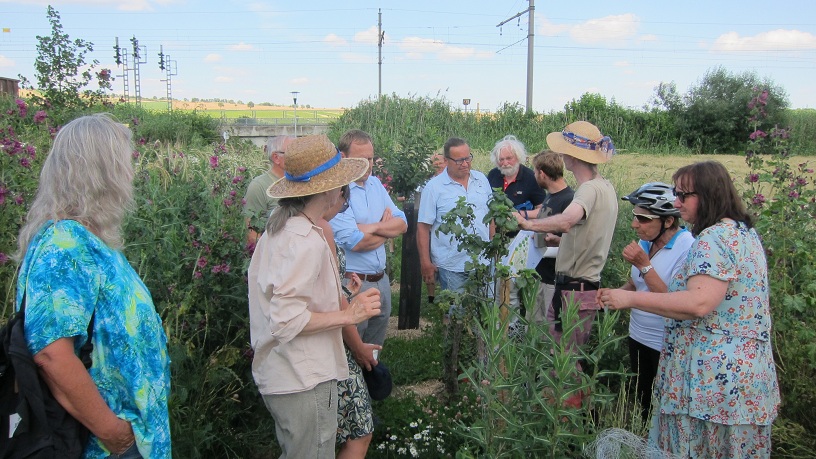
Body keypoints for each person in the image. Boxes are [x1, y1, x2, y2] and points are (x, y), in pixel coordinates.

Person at [598, 161, 780, 458]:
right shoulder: (742, 233)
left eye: (683, 195)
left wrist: (631, 300)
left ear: (708, 195)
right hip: (742, 380)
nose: (676, 202)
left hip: (709, 383)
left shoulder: (713, 239)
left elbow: (698, 303)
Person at [14, 114, 171, 458]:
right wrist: (113, 433)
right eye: (124, 162)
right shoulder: (64, 245)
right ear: (103, 171)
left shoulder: (88, 239)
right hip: (105, 443)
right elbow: (51, 354)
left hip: (134, 434)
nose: (131, 173)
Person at [248, 134, 382, 458]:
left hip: (286, 374)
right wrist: (349, 315)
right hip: (302, 379)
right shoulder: (303, 240)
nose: (343, 191)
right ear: (328, 189)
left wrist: (341, 295)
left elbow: (288, 300)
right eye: (341, 183)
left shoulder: (281, 228)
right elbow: (286, 320)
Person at [515, 121, 618, 347]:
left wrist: (527, 224)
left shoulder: (588, 189)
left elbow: (567, 221)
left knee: (565, 358)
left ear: (573, 156)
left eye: (564, 150)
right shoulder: (605, 186)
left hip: (574, 288)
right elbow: (589, 236)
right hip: (583, 285)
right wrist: (562, 242)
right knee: (566, 354)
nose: (561, 156)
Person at [608, 182, 694, 421]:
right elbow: (637, 283)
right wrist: (612, 295)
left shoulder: (687, 247)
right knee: (643, 400)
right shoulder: (646, 243)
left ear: (668, 221)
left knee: (661, 407)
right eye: (635, 216)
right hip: (638, 334)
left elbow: (672, 299)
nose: (635, 224)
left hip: (663, 341)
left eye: (644, 219)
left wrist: (644, 265)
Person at [315, 184, 379, 459]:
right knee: (359, 432)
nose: (341, 208)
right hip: (332, 342)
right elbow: (333, 301)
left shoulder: (288, 226)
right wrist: (359, 348)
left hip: (311, 343)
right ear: (333, 194)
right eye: (343, 202)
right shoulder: (322, 228)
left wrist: (346, 291)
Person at [330, 129, 407, 348]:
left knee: (374, 349)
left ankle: (372, 372)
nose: (368, 165)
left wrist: (371, 227)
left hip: (380, 280)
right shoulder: (338, 191)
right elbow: (357, 242)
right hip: (353, 283)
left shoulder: (375, 184)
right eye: (361, 159)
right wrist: (386, 229)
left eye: (371, 159)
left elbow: (402, 223)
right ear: (343, 157)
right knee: (352, 349)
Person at [417, 137, 492, 294]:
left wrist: (493, 251)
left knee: (485, 306)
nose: (465, 164)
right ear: (446, 160)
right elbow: (423, 228)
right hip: (451, 265)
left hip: (483, 261)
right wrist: (425, 262)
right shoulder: (434, 188)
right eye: (459, 161)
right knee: (456, 308)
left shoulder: (481, 180)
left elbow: (489, 217)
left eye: (468, 158)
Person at [529, 151, 574, 325]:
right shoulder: (550, 197)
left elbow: (575, 243)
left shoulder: (569, 200)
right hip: (539, 275)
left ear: (542, 173)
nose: (534, 176)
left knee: (551, 329)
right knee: (534, 326)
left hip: (554, 279)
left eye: (535, 171)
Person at [243, 135, 296, 244]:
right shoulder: (259, 186)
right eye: (293, 152)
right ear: (276, 158)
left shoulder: (302, 182)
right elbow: (251, 233)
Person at [487, 134, 545, 217]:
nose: (505, 163)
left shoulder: (531, 178)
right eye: (501, 159)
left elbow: (543, 210)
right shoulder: (493, 175)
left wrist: (519, 214)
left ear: (518, 157)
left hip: (522, 223)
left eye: (509, 158)